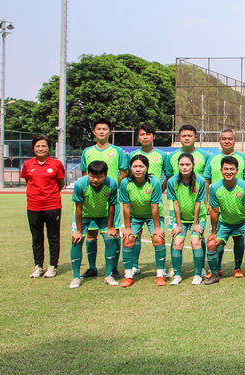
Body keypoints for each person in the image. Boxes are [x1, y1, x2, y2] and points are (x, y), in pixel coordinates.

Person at [78, 118, 128, 280]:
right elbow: (84, 174)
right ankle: (92, 268)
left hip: (110, 200)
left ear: (110, 131)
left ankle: (113, 268)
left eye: (104, 129)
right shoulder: (87, 151)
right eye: (98, 129)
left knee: (113, 233)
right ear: (94, 132)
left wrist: (112, 187)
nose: (101, 131)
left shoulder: (117, 151)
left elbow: (124, 172)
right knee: (91, 234)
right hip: (91, 200)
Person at [204, 128, 245, 277]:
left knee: (238, 237)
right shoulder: (212, 159)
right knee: (217, 238)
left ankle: (237, 268)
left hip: (237, 205)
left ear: (235, 141)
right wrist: (207, 202)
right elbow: (207, 180)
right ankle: (217, 268)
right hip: (219, 205)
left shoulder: (242, 158)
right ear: (219, 140)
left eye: (230, 138)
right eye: (224, 138)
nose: (227, 141)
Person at [204, 157, 245, 285]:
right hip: (224, 223)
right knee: (211, 244)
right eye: (226, 169)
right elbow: (215, 211)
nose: (228, 172)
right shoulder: (214, 187)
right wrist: (213, 232)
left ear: (237, 171)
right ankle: (214, 274)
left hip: (243, 223)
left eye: (232, 169)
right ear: (221, 170)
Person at [69, 160, 120, 289]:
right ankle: (76, 277)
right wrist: (79, 230)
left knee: (110, 239)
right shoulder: (80, 184)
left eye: (99, 177)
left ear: (105, 175)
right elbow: (78, 208)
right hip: (84, 215)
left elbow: (112, 205)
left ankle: (109, 275)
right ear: (88, 174)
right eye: (92, 176)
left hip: (103, 215)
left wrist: (110, 227)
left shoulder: (112, 184)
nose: (95, 180)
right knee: (77, 240)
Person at [118, 154, 166, 287]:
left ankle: (160, 275)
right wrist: (127, 228)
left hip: (152, 216)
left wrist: (157, 228)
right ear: (130, 168)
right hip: (135, 216)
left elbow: (154, 206)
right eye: (135, 166)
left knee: (158, 238)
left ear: (147, 167)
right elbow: (126, 207)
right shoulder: (125, 183)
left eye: (141, 166)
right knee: (128, 239)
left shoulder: (154, 182)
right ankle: (128, 276)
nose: (138, 169)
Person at [22, 134, 65, 278]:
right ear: (33, 148)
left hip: (52, 205)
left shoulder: (56, 164)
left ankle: (53, 266)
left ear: (48, 148)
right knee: (37, 238)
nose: (41, 149)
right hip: (33, 206)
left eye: (44, 146)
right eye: (38, 146)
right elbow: (28, 181)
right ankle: (38, 266)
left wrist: (50, 195)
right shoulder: (27, 164)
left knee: (53, 238)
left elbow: (60, 183)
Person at [167, 152, 207, 285]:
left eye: (187, 164)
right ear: (178, 165)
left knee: (195, 242)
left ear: (193, 165)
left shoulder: (200, 181)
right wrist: (178, 224)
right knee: (177, 242)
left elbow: (198, 203)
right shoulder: (172, 181)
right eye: (182, 164)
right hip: (180, 218)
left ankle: (198, 274)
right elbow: (175, 203)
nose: (184, 167)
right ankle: (177, 275)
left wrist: (196, 223)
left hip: (198, 217)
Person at [163, 124, 209, 189]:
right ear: (179, 138)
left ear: (195, 138)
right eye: (183, 136)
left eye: (190, 136)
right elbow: (169, 178)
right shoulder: (171, 156)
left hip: (198, 194)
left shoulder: (205, 156)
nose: (187, 138)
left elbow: (207, 180)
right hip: (177, 194)